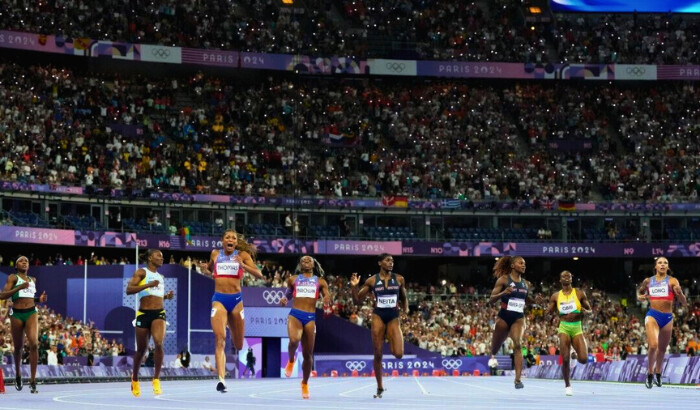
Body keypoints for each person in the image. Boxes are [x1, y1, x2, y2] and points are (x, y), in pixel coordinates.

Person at [198, 229, 262, 392]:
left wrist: (242, 265)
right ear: (223, 240)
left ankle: (231, 324)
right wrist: (206, 269)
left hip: (236, 302)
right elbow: (212, 271)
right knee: (220, 339)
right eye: (227, 237)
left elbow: (259, 275)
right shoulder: (215, 254)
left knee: (239, 344)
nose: (230, 239)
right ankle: (221, 380)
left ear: (235, 242)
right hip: (219, 299)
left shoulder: (243, 256)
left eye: (233, 237)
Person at [350, 253, 408, 398]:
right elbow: (357, 301)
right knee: (378, 354)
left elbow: (404, 297)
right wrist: (354, 287)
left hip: (394, 317)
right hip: (378, 316)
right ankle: (380, 386)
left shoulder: (400, 279)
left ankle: (389, 336)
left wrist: (406, 308)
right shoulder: (371, 281)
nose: (391, 263)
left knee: (399, 354)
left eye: (392, 261)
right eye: (388, 260)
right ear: (380, 263)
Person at [125, 249, 174, 397]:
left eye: (162, 256)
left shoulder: (160, 277)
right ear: (150, 257)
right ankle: (135, 379)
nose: (162, 258)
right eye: (159, 255)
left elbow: (155, 296)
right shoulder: (142, 272)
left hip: (159, 313)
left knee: (159, 343)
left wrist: (166, 296)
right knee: (141, 350)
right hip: (143, 314)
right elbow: (129, 290)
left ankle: (156, 379)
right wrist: (148, 284)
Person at [280, 256, 331, 399]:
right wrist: (284, 299)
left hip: (310, 318)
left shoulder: (320, 281)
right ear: (300, 265)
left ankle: (304, 383)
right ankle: (291, 360)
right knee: (294, 340)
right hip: (295, 314)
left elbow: (326, 294)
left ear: (314, 264)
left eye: (309, 260)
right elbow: (288, 295)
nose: (306, 261)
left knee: (308, 355)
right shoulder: (293, 279)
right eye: (303, 260)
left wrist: (327, 298)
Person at [0, 255, 48, 393]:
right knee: (18, 348)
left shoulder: (33, 279)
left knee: (34, 343)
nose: (24, 262)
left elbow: (29, 298)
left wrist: (39, 299)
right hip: (16, 314)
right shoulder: (13, 278)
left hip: (31, 312)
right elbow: (2, 295)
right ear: (16, 266)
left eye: (26, 261)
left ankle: (33, 381)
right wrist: (19, 286)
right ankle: (18, 375)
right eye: (21, 260)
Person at [489, 255, 537, 389]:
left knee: (518, 343)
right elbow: (491, 300)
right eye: (520, 263)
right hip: (504, 317)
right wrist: (503, 293)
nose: (524, 265)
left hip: (518, 318)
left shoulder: (526, 284)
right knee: (495, 347)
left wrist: (535, 301)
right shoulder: (503, 280)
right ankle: (493, 352)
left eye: (525, 263)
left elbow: (525, 300)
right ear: (512, 265)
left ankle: (517, 380)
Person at [637, 257, 687, 388]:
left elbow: (684, 302)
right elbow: (640, 292)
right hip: (652, 315)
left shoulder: (672, 281)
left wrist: (680, 294)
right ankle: (649, 374)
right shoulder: (648, 281)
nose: (663, 265)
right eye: (660, 262)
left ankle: (658, 373)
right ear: (656, 266)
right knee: (653, 345)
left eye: (665, 263)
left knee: (662, 349)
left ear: (668, 267)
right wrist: (639, 297)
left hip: (668, 318)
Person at [546, 270, 592, 396]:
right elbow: (547, 314)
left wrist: (585, 311)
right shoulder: (555, 296)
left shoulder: (579, 293)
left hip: (577, 327)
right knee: (564, 358)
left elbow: (590, 311)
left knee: (583, 359)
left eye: (568, 275)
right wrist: (544, 309)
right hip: (564, 327)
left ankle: (575, 355)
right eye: (563, 276)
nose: (566, 277)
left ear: (572, 278)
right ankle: (567, 385)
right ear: (560, 280)